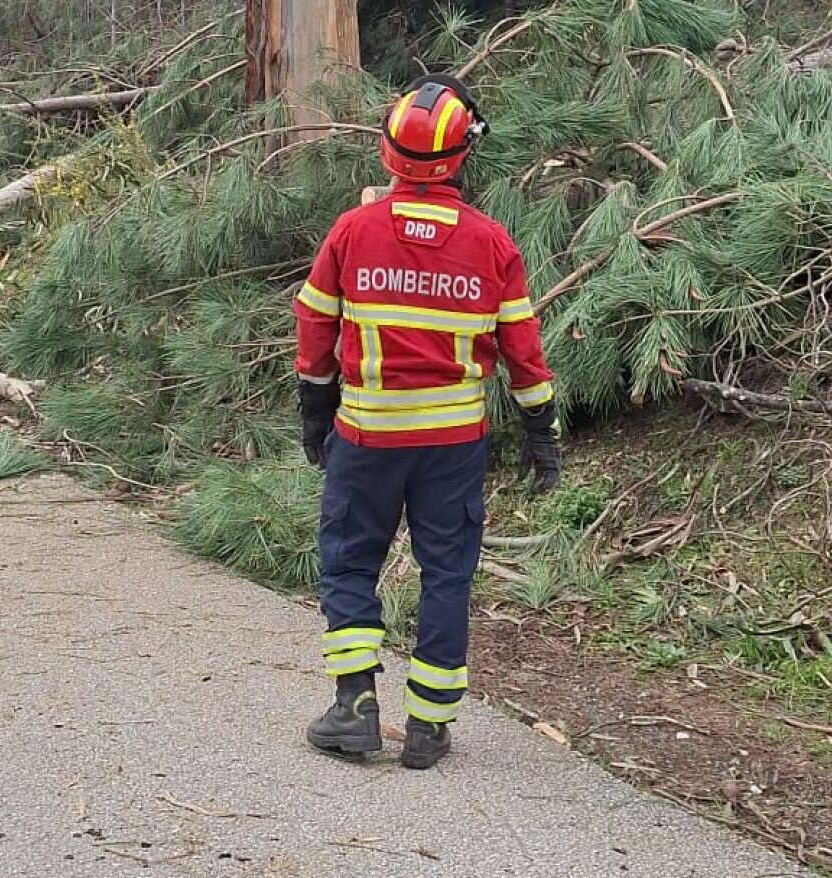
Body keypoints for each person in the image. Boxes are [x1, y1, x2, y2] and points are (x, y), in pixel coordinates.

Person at [293, 74, 562, 770]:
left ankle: (355, 706)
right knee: (447, 574)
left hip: (368, 435)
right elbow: (523, 353)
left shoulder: (353, 231)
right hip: (451, 444)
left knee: (351, 560)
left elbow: (315, 323)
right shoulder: (491, 244)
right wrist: (541, 431)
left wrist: (315, 406)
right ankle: (428, 728)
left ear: (387, 152)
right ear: (461, 155)